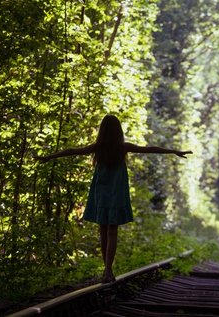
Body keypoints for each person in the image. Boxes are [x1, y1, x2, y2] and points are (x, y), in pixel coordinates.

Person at [37, 114, 192, 283]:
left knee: (104, 231)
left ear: (102, 131)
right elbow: (150, 149)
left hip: (101, 194)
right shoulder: (122, 147)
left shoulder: (99, 147)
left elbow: (73, 151)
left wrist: (49, 157)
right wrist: (174, 152)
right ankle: (108, 270)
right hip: (116, 193)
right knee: (111, 231)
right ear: (118, 131)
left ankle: (107, 270)